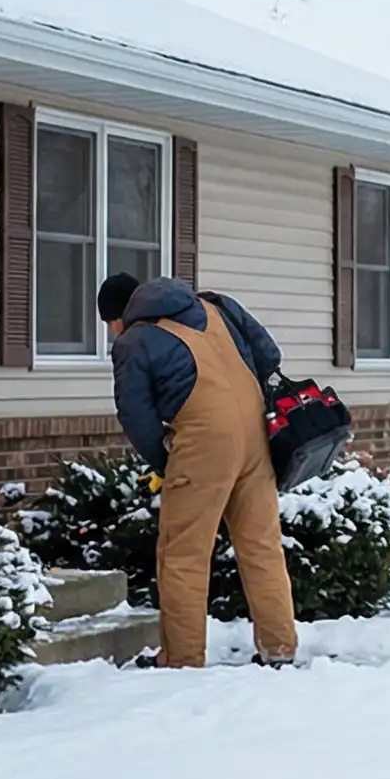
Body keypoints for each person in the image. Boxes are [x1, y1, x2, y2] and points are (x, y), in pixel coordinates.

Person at [102, 272, 298, 668]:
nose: (111, 332)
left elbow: (136, 417)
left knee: (183, 553)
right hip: (256, 432)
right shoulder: (214, 304)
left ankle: (181, 659)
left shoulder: (134, 342)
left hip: (203, 441)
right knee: (261, 545)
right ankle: (280, 649)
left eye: (109, 324)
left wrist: (168, 463)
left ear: (120, 315)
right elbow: (270, 354)